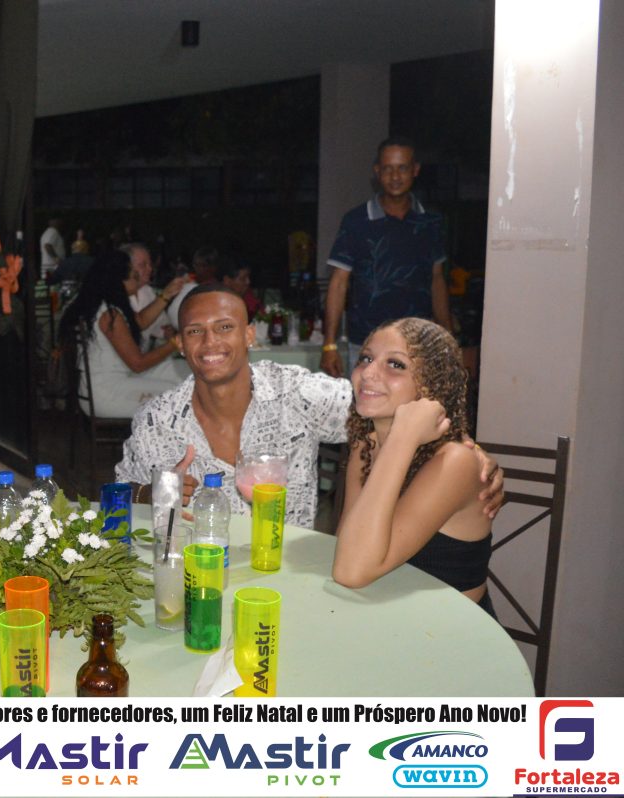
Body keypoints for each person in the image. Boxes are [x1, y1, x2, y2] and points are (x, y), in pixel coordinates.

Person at [115, 284, 503, 528]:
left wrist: (464, 450)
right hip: (198, 580)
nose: (210, 342)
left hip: (291, 576)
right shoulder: (157, 420)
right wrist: (149, 493)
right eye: (195, 331)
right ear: (180, 344)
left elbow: (390, 402)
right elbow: (115, 498)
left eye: (225, 327)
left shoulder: (296, 395)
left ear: (249, 335)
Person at [331, 318, 494, 615]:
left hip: (451, 630)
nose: (368, 372)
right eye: (366, 358)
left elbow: (351, 571)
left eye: (395, 364)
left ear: (430, 384)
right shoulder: (366, 446)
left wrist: (403, 436)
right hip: (385, 618)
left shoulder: (455, 461)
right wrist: (397, 440)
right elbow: (348, 546)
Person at [321, 136, 453, 377]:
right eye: (388, 169)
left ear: (415, 170)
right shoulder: (356, 221)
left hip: (418, 347)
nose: (395, 176)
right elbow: (338, 283)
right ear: (377, 171)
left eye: (402, 168)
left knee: (414, 403)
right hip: (366, 344)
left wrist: (448, 338)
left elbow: (437, 280)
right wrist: (329, 344)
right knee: (365, 402)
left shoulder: (430, 222)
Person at [59, 249, 186, 419]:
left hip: (105, 386)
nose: (138, 279)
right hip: (107, 394)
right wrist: (175, 343)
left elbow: (139, 321)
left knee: (180, 375)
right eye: (133, 275)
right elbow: (138, 364)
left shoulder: (104, 306)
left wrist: (166, 294)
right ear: (118, 280)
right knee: (179, 397)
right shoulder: (109, 315)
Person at [122, 242, 182, 349]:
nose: (149, 269)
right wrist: (166, 294)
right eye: (142, 265)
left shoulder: (147, 290)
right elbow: (139, 324)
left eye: (150, 264)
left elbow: (161, 325)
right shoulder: (114, 295)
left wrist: (167, 331)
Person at [167, 245, 222, 328]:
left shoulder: (215, 289)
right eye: (195, 265)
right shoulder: (190, 280)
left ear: (212, 267)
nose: (197, 269)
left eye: (202, 265)